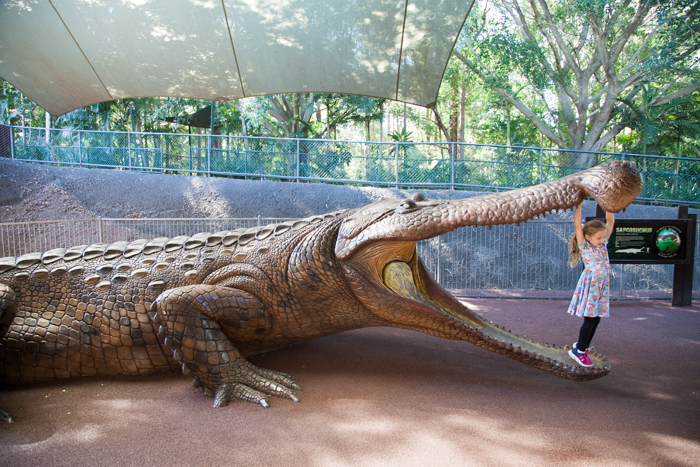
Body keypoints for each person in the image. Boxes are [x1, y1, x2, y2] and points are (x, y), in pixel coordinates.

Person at [566, 200, 614, 367]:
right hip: (592, 286)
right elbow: (578, 226)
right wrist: (578, 205)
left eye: (603, 237)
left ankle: (583, 347)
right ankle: (578, 351)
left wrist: (610, 205)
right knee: (590, 318)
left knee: (596, 319)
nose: (602, 240)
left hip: (601, 287)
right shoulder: (585, 246)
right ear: (588, 237)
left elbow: (611, 222)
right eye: (599, 237)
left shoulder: (603, 245)